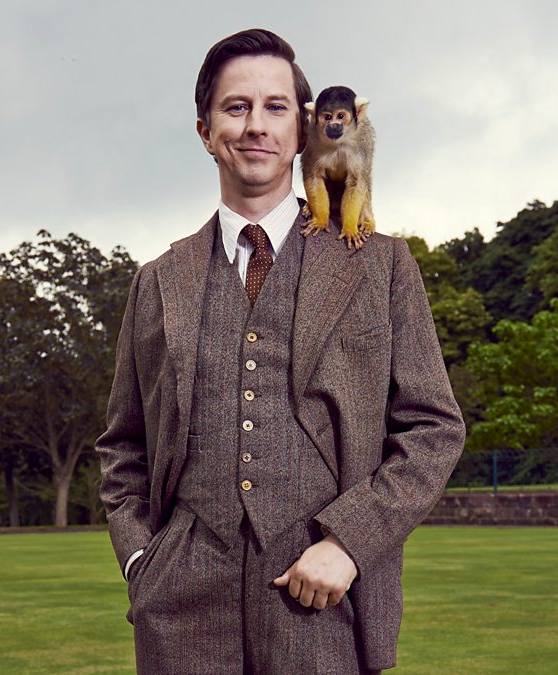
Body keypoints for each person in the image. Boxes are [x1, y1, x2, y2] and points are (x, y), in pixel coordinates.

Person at [96, 28, 464, 673]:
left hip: (327, 603)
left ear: (303, 129)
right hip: (180, 612)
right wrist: (140, 560)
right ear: (205, 131)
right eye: (236, 107)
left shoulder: (381, 264)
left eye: (275, 107)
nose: (255, 126)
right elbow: (124, 446)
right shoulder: (157, 281)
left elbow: (434, 429)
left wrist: (349, 543)